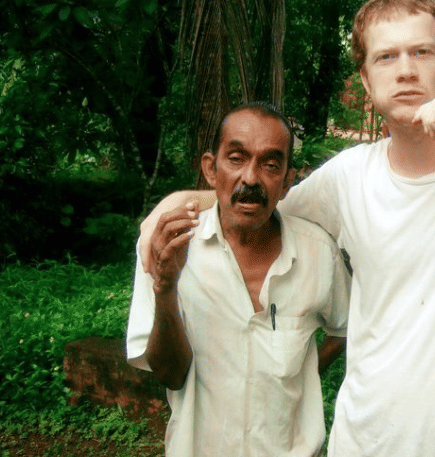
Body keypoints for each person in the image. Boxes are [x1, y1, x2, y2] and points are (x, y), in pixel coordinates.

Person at [139, 0, 435, 457]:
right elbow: (263, 201)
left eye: (422, 52)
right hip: (362, 443)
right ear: (366, 80)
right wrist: (186, 199)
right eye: (386, 57)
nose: (405, 70)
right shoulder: (350, 175)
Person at [126, 102, 350, 457]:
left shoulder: (318, 253)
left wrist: (303, 375)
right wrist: (165, 288)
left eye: (270, 164)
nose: (250, 178)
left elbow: (344, 328)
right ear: (210, 169)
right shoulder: (169, 247)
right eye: (236, 158)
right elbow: (169, 375)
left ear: (288, 181)